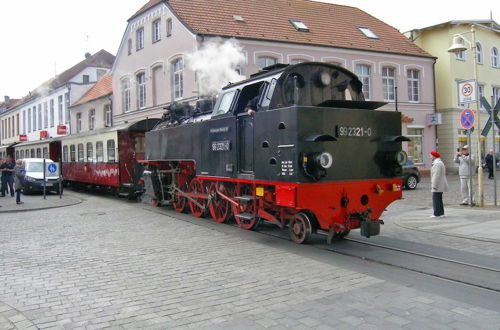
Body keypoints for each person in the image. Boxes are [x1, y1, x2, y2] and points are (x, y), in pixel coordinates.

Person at [430, 151, 448, 218]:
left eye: (431, 155)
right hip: (440, 184)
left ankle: (436, 213)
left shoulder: (437, 163)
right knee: (439, 199)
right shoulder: (439, 162)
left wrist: (434, 185)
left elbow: (436, 175)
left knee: (436, 199)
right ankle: (441, 213)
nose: (430, 157)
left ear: (434, 156)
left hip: (438, 185)